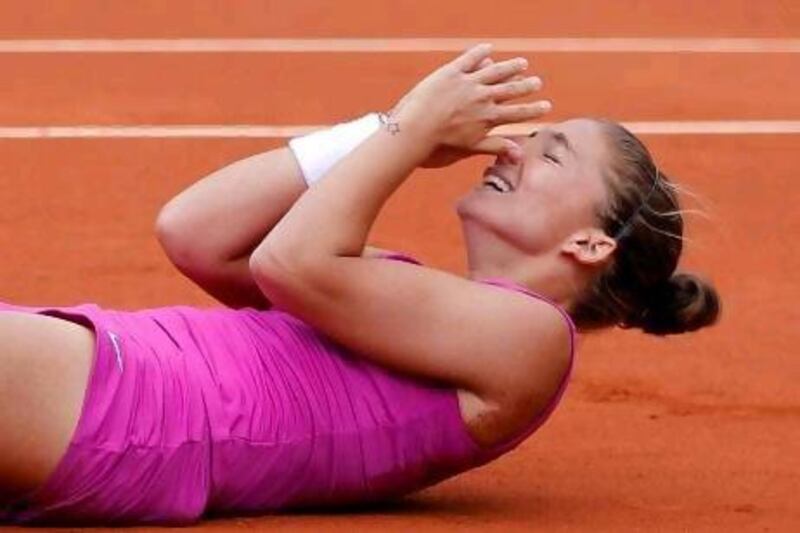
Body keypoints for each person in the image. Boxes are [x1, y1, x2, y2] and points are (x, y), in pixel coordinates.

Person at [0, 44, 720, 525]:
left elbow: (291, 262)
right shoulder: (400, 294)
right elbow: (196, 231)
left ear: (589, 242)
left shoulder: (535, 339)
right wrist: (379, 130)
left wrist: (405, 133)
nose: (510, 148)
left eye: (550, 152)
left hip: (134, 409)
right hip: (104, 376)